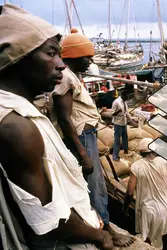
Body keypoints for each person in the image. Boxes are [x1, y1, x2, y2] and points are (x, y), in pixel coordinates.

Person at [0, 4, 113, 249]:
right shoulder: (17, 127)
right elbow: (48, 222)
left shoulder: (25, 111)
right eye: (51, 53)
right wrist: (97, 235)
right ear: (18, 57)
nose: (61, 64)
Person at [50, 28, 134, 246]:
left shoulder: (72, 76)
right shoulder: (65, 78)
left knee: (93, 184)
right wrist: (82, 153)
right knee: (95, 185)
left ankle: (102, 225)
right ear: (75, 56)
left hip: (86, 135)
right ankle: (107, 230)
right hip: (81, 138)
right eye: (87, 57)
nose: (90, 61)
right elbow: (65, 118)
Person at [123, 138, 167, 250]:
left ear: (141, 152)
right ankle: (164, 248)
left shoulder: (136, 166)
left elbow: (130, 192)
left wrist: (125, 208)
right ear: (154, 150)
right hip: (166, 208)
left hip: (148, 209)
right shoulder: (165, 162)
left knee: (146, 237)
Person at [103, 89, 138, 161]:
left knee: (125, 138)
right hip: (118, 124)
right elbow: (112, 114)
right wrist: (118, 111)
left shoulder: (124, 102)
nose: (128, 98)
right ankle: (115, 156)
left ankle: (125, 150)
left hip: (124, 123)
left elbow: (126, 113)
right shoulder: (116, 102)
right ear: (123, 95)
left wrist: (132, 120)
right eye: (127, 97)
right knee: (117, 140)